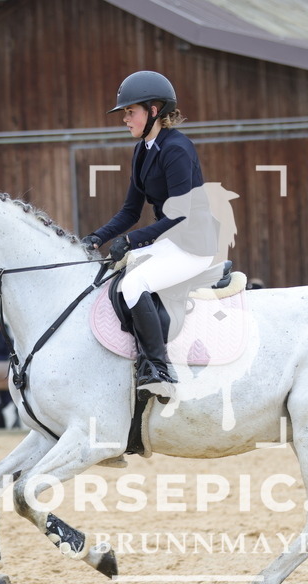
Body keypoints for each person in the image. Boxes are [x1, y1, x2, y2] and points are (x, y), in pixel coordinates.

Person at [81, 70, 214, 400]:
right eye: (125, 113)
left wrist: (132, 240)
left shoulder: (177, 150)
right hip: (171, 242)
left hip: (194, 245)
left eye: (130, 111)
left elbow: (180, 214)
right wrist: (96, 237)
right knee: (117, 276)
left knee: (134, 283)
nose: (125, 119)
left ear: (154, 110)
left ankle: (159, 368)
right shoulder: (143, 150)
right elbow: (130, 211)